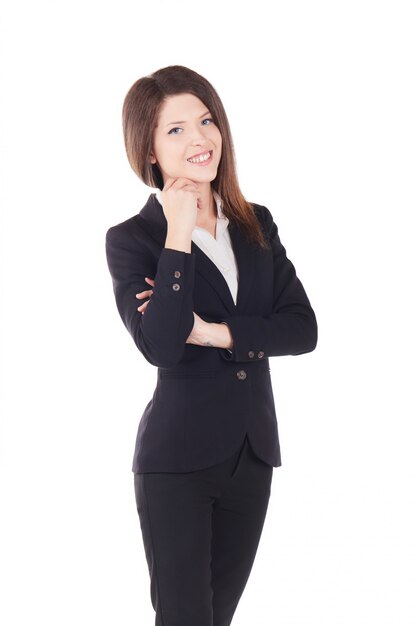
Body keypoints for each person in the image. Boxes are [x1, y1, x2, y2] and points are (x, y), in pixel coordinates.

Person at [105, 64, 318, 626]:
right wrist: (178, 232)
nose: (199, 138)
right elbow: (163, 347)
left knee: (216, 619)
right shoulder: (133, 240)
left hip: (252, 456)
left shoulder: (255, 225)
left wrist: (218, 333)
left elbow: (302, 328)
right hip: (176, 463)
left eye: (206, 121)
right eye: (175, 130)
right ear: (148, 149)